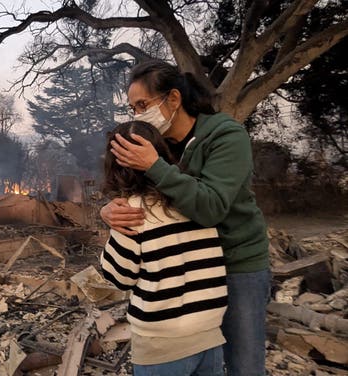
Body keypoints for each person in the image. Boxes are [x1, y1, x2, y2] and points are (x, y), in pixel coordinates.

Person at [101, 60, 270, 376]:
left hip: (238, 266)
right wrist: (109, 210)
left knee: (244, 366)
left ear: (173, 99)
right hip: (195, 276)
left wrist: (155, 166)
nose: (138, 115)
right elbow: (149, 196)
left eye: (143, 105)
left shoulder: (226, 136)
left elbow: (211, 207)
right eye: (132, 108)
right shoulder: (163, 147)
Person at [100, 120, 227, 375]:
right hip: (210, 335)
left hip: (162, 346)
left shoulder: (131, 215)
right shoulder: (194, 201)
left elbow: (119, 277)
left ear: (115, 168)